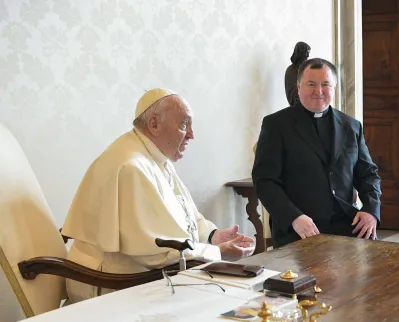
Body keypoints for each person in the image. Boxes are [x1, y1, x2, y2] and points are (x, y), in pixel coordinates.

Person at [62, 88, 254, 302]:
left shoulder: (153, 156)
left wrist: (212, 235)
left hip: (137, 275)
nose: (192, 134)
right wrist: (217, 253)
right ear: (154, 124)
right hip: (110, 282)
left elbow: (185, 213)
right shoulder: (130, 166)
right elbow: (157, 251)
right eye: (184, 125)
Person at [253, 58, 381, 248]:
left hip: (347, 225)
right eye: (311, 84)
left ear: (334, 87)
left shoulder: (351, 126)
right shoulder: (276, 125)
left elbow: (368, 174)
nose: (318, 91)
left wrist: (371, 210)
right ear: (298, 87)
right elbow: (265, 180)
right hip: (300, 228)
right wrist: (294, 217)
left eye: (325, 84)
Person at [284, 42, 311, 106]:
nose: (308, 56)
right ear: (300, 53)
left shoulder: (305, 69)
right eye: (306, 53)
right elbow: (293, 95)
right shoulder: (291, 70)